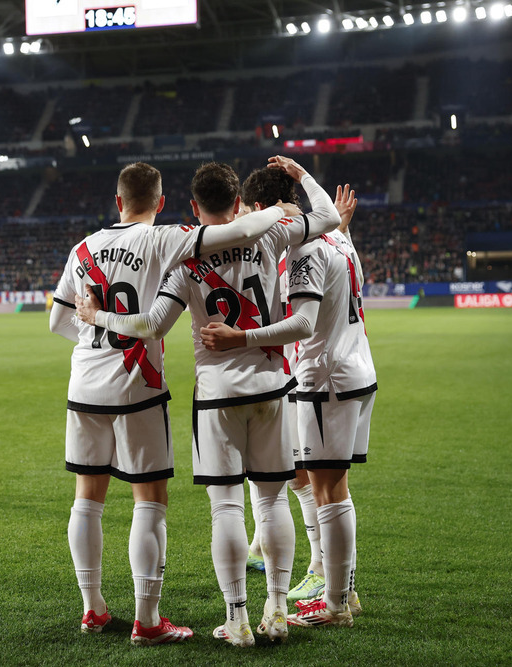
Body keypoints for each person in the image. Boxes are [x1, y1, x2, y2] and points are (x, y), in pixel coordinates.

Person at [73, 158, 340, 646]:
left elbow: (150, 325)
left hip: (217, 395)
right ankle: (277, 610)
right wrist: (299, 180)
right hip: (272, 384)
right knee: (273, 498)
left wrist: (98, 316)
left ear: (193, 207)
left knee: (226, 509)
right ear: (239, 202)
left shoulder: (185, 259)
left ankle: (236, 618)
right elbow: (328, 217)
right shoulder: (273, 234)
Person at [200, 172, 376, 629]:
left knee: (329, 492)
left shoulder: (306, 248)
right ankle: (342, 588)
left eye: (250, 212)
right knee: (319, 484)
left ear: (266, 207)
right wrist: (305, 179)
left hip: (326, 379)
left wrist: (241, 337)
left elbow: (302, 323)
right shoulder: (337, 236)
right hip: (353, 371)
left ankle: (336, 603)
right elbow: (333, 225)